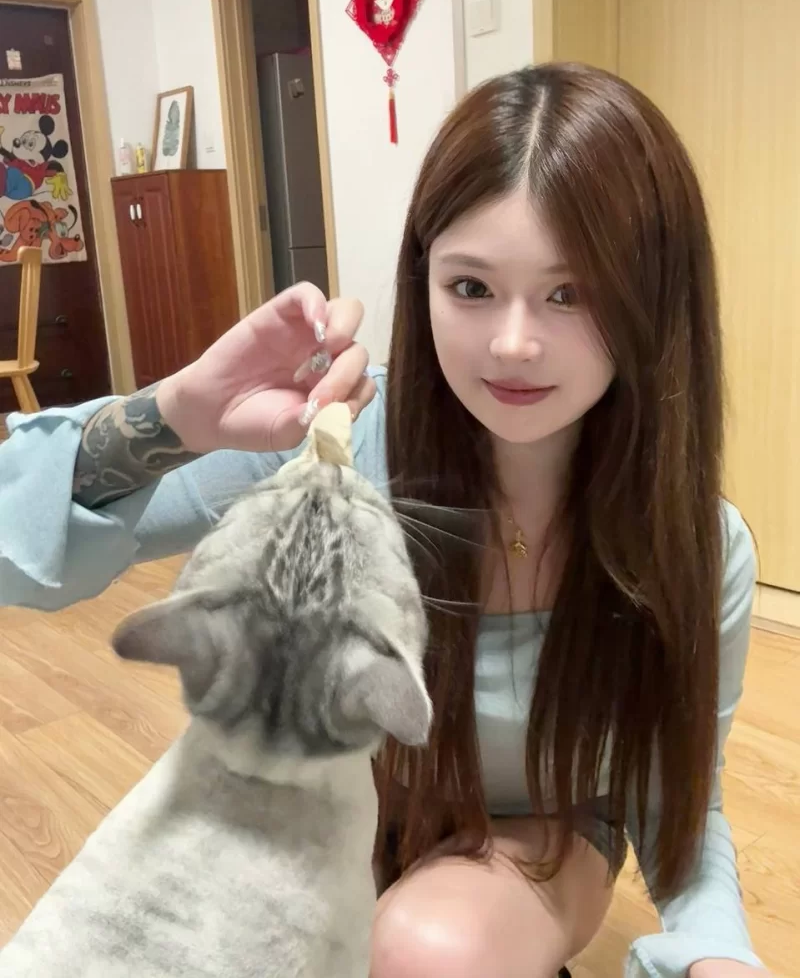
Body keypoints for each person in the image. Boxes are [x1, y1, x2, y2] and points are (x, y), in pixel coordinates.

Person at [0, 63, 764, 978]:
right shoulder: (333, 442)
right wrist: (179, 415)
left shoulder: (694, 547)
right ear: (423, 277)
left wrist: (717, 956)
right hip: (320, 803)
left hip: (535, 837)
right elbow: (19, 552)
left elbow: (682, 801)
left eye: (571, 294)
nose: (513, 342)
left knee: (426, 952)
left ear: (655, 300)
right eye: (471, 288)